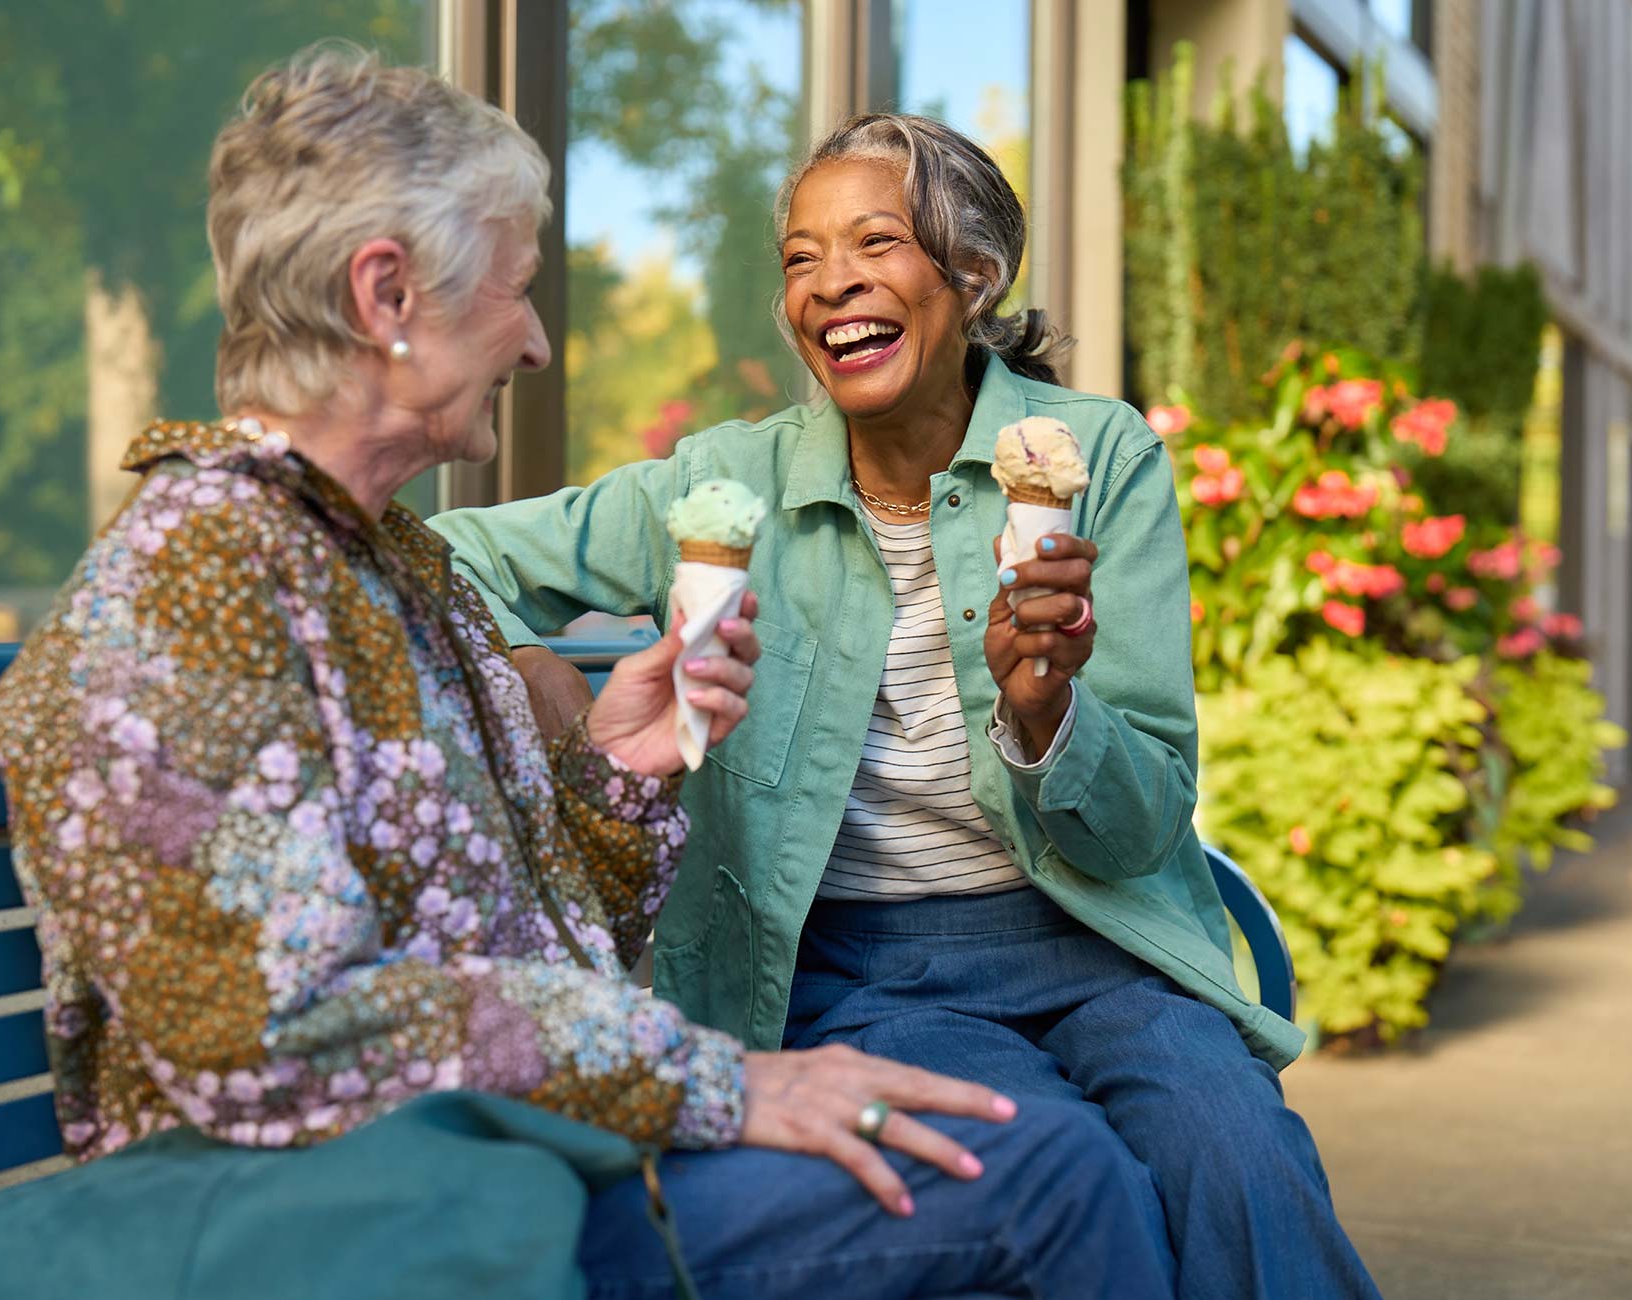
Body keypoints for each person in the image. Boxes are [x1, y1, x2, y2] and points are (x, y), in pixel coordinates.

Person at [0, 49, 1175, 1300]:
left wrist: (613, 777)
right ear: (387, 294)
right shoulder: (192, 598)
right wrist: (719, 1078)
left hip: (508, 1156)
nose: (541, 343)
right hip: (360, 1222)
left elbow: (515, 940)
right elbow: (276, 1035)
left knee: (1052, 1155)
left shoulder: (396, 572)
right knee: (1045, 1177)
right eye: (514, 288)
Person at [433, 113, 1381, 1299]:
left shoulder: (1101, 458)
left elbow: (1143, 825)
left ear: (972, 274)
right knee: (1065, 1175)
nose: (831, 284)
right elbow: (439, 551)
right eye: (799, 257)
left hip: (1100, 937)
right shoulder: (729, 479)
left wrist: (1048, 719)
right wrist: (538, 684)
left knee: (1237, 1160)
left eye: (873, 242)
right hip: (871, 968)